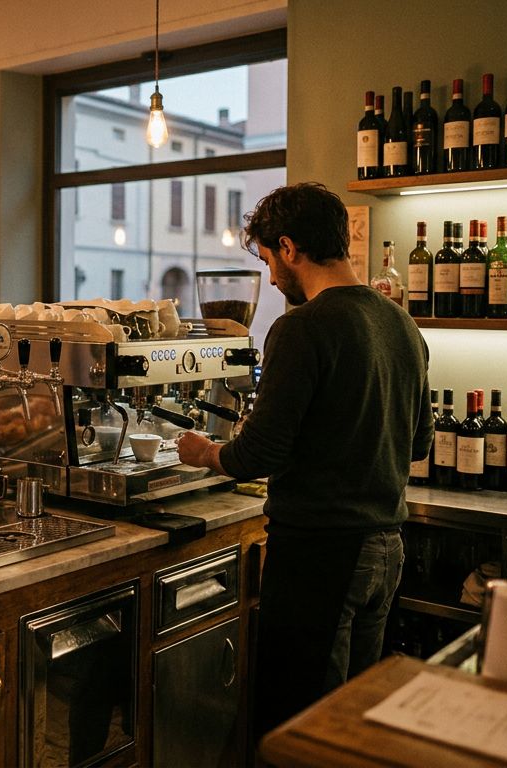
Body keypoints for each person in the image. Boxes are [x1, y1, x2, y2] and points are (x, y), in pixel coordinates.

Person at [175, 183, 431, 736]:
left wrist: (206, 452)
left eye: (269, 260)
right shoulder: (402, 325)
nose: (271, 278)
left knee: (301, 722)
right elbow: (419, 445)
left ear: (289, 248)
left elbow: (259, 452)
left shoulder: (300, 328)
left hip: (320, 556)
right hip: (386, 550)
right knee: (352, 723)